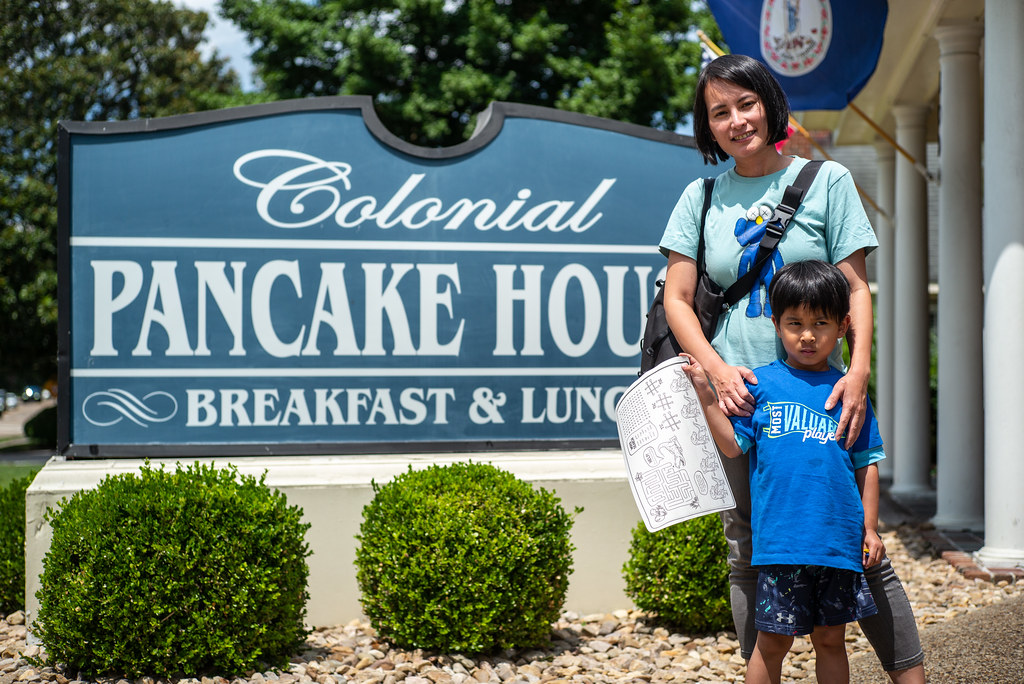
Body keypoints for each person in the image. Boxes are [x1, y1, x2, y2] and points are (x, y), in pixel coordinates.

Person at [659, 53, 925, 682]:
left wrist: (858, 371)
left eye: (745, 104)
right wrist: (719, 373)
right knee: (749, 552)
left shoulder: (825, 182)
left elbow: (856, 288)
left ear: (768, 105)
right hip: (743, 403)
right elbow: (676, 298)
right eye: (719, 111)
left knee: (860, 549)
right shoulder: (699, 198)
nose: (735, 120)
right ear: (707, 125)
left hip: (824, 396)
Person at [681, 260, 885, 684]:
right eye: (795, 323)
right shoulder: (761, 384)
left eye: (821, 323)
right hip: (780, 545)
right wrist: (705, 394)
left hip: (837, 545)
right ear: (776, 324)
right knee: (771, 644)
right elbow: (732, 445)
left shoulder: (850, 393)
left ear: (843, 326)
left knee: (831, 640)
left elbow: (866, 467)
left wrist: (869, 529)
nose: (807, 335)